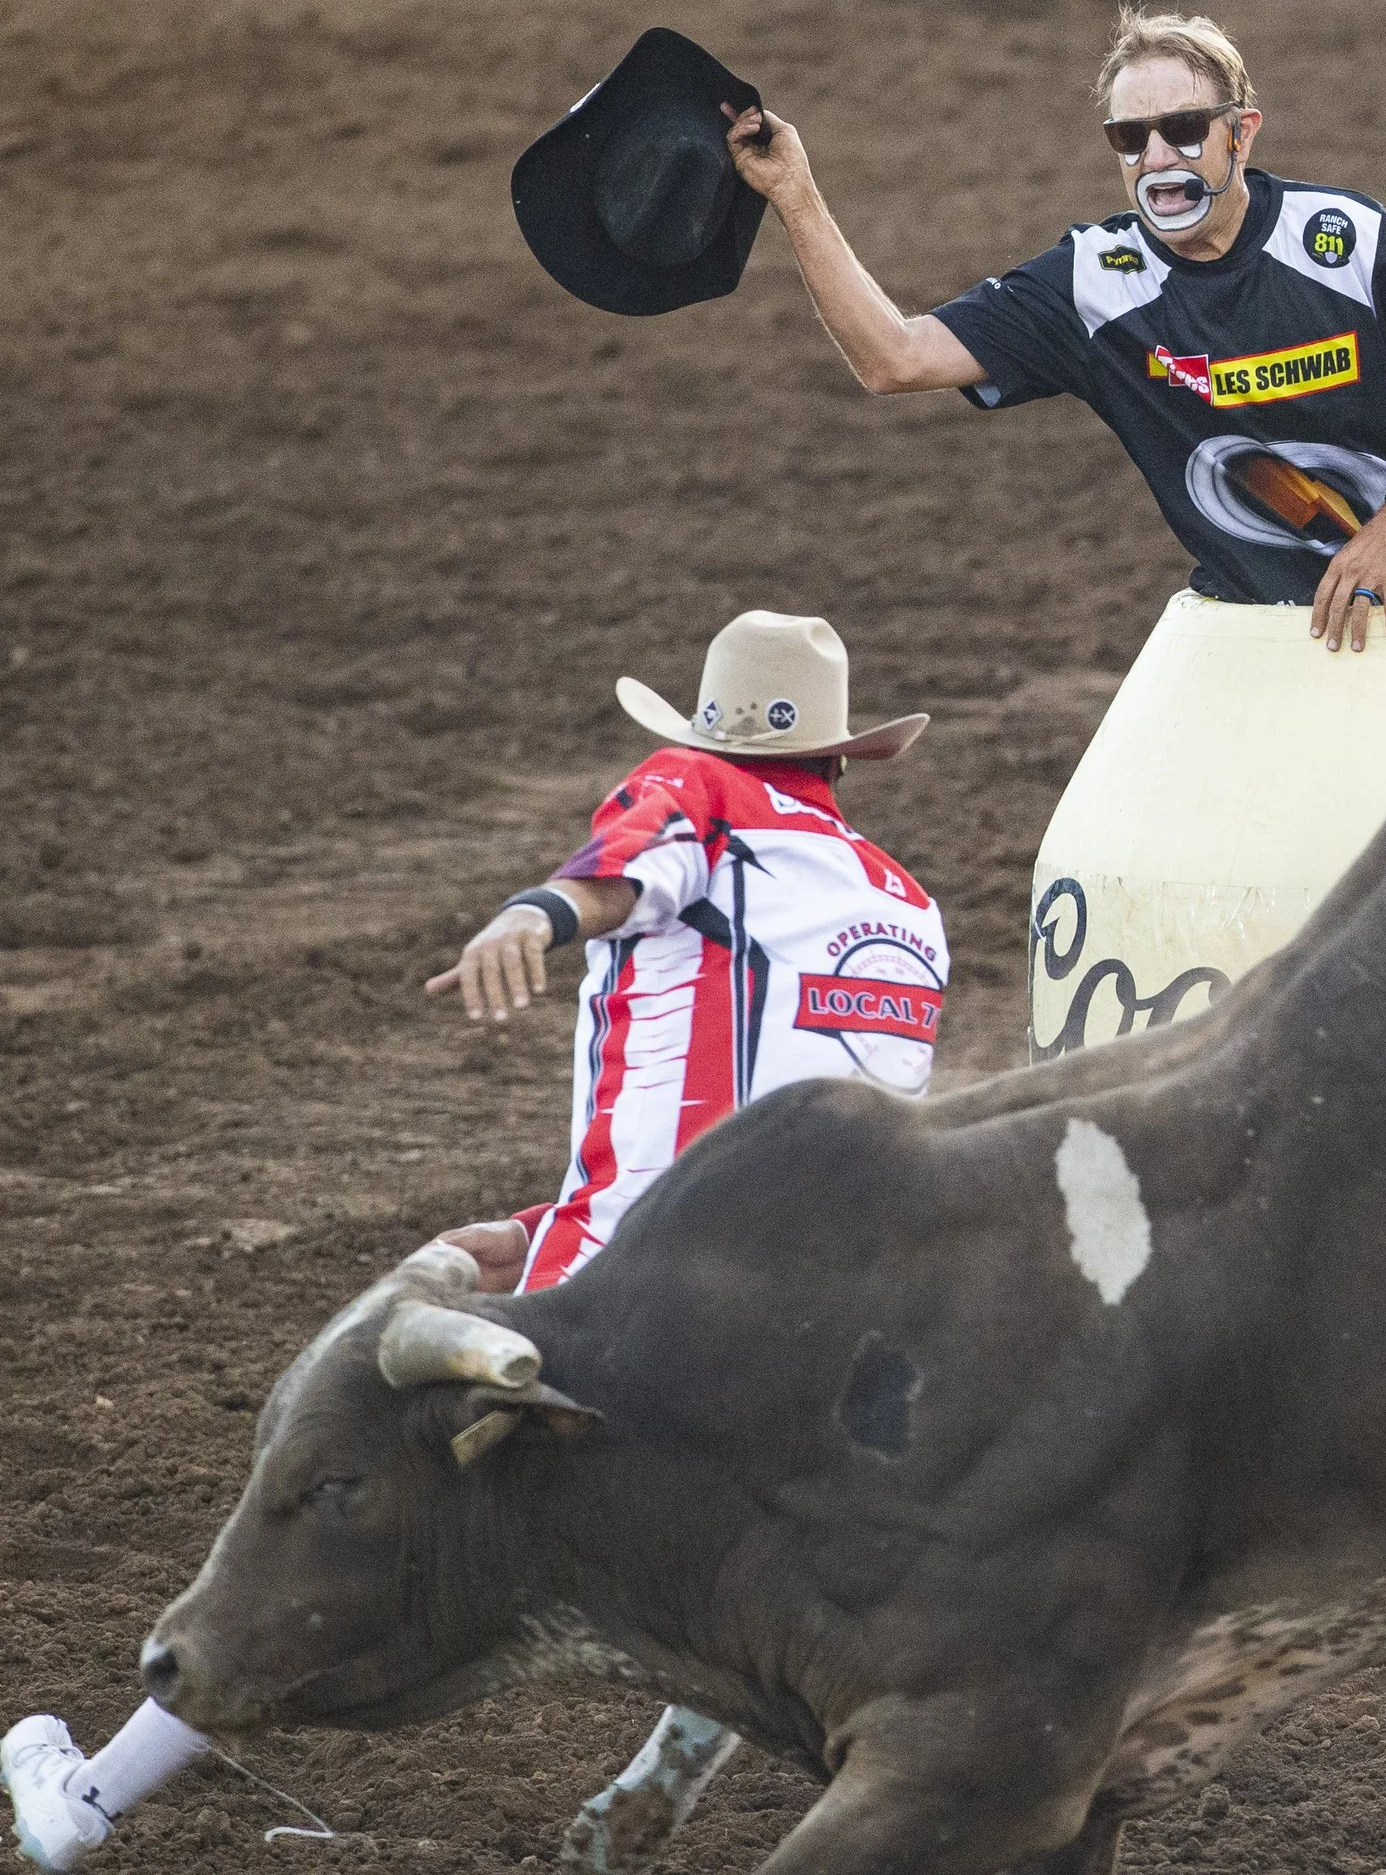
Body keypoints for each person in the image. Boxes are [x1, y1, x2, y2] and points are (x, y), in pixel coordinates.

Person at [2, 610, 944, 1874]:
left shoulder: (697, 793)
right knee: (755, 1581)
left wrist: (532, 919)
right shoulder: (906, 909)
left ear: (714, 741)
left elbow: (625, 875)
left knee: (342, 1480)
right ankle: (647, 1798)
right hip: (823, 1329)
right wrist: (533, 1226)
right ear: (838, 761)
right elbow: (811, 1126)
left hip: (625, 1291)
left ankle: (88, 1804)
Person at [721, 7, 1386, 654]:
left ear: (1240, 133)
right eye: (1128, 138)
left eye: (1182, 129)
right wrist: (793, 192)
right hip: (1246, 639)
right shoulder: (1095, 280)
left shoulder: (1341, 238)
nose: (1154, 157)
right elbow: (892, 358)